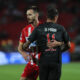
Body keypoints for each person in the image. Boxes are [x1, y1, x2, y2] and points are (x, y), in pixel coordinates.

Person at [23, 4, 71, 80]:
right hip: (55, 62)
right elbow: (68, 45)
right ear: (56, 17)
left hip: (43, 62)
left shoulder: (39, 28)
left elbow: (25, 46)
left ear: (47, 17)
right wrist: (59, 47)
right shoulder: (61, 28)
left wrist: (33, 49)